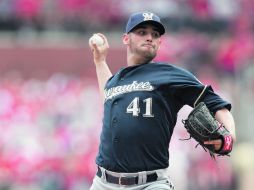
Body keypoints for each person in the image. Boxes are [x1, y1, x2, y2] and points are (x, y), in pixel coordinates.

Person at [88, 11, 236, 190]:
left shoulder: (170, 75)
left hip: (150, 184)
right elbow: (108, 96)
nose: (149, 37)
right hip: (103, 183)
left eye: (155, 34)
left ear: (160, 43)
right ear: (126, 39)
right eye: (142, 32)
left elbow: (218, 105)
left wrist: (229, 137)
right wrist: (100, 60)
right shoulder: (117, 80)